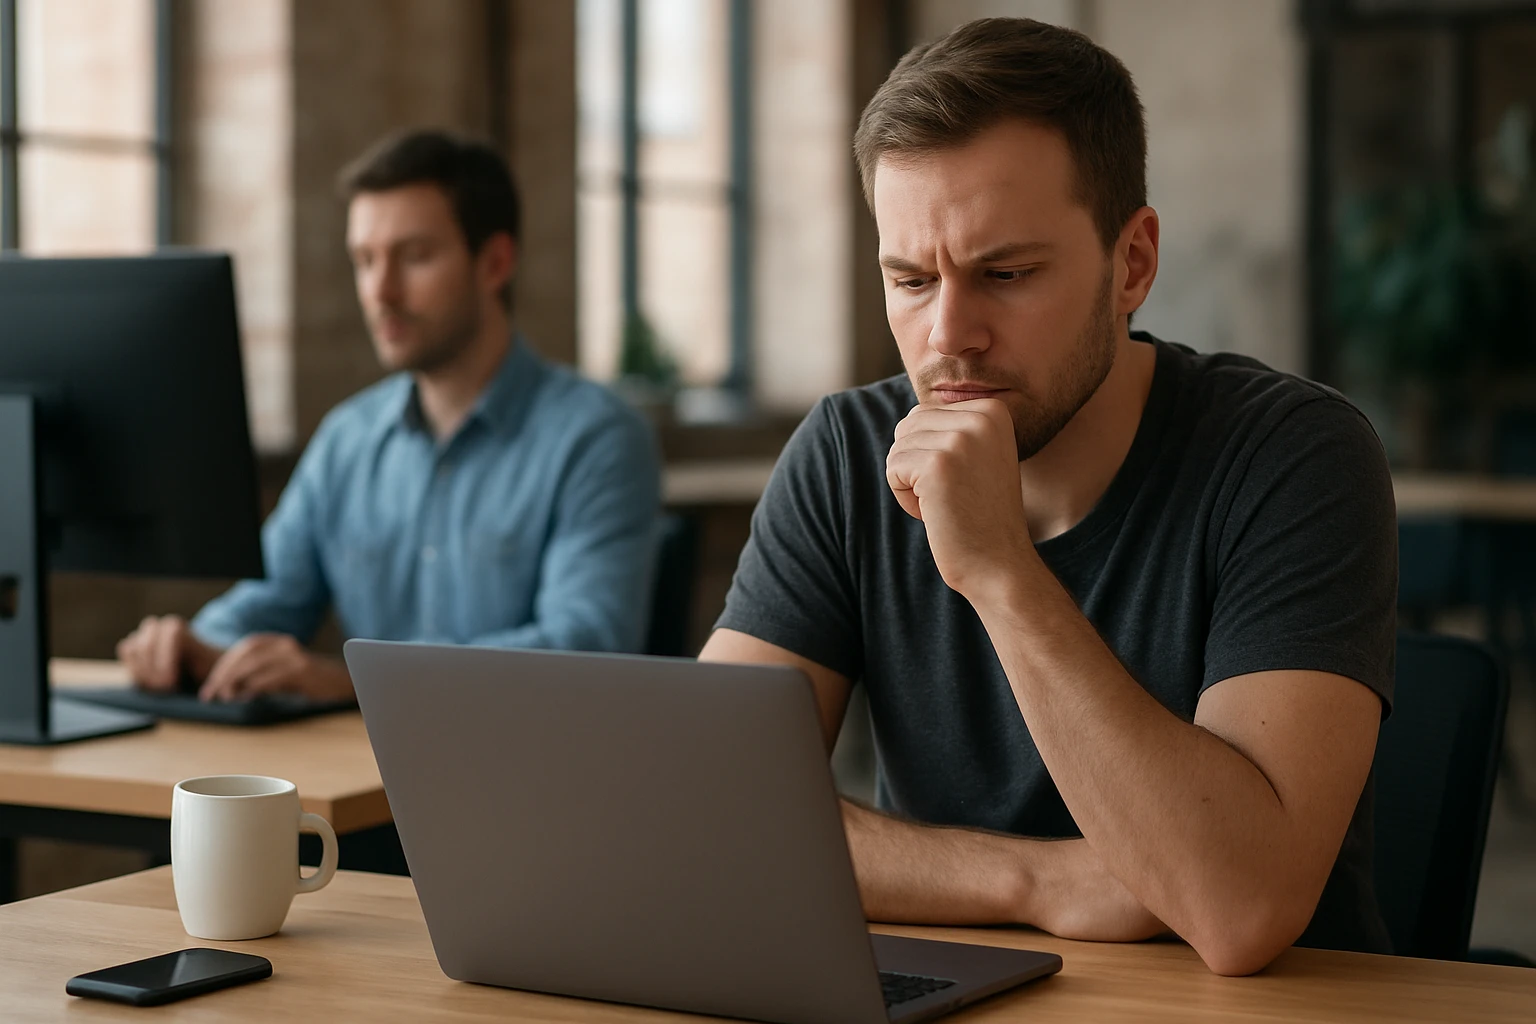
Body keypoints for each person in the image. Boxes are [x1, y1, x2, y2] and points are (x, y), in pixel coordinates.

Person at [700, 18, 1396, 976]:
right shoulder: (844, 452)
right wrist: (1041, 883)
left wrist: (998, 571)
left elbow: (1238, 907)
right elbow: (709, 815)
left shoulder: (1292, 455)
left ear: (1133, 265)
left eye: (1007, 275)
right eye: (909, 279)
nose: (950, 334)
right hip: (956, 990)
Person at [118, 130, 661, 703]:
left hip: (523, 780)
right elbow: (270, 597)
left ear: (496, 262)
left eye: (415, 256)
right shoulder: (347, 438)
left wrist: (360, 683)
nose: (381, 291)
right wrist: (197, 642)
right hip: (358, 779)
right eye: (365, 260)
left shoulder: (598, 438)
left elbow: (587, 646)